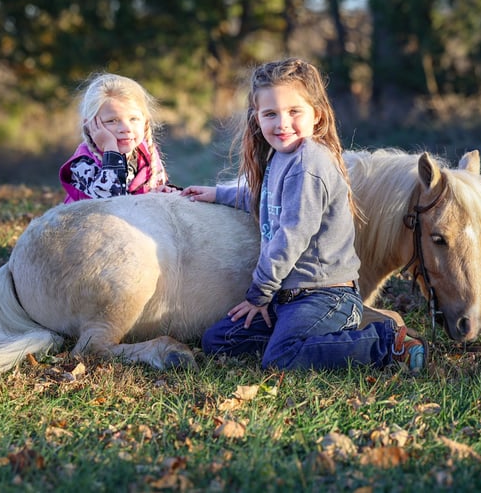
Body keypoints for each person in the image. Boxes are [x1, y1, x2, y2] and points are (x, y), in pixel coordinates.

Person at [181, 58, 427, 374]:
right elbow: (266, 198)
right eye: (270, 114)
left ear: (317, 115)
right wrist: (218, 194)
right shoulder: (280, 157)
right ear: (256, 118)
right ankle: (308, 341)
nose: (282, 123)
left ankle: (386, 342)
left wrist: (259, 295)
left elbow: (291, 237)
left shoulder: (309, 164)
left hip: (326, 296)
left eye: (294, 111)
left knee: (281, 359)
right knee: (218, 340)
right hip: (288, 297)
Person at [60, 72, 176, 203]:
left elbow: (153, 191)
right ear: (90, 125)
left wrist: (162, 191)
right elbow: (110, 201)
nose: (126, 128)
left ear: (145, 120)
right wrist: (111, 150)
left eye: (133, 119)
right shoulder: (83, 163)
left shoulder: (147, 153)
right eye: (112, 121)